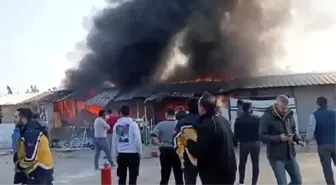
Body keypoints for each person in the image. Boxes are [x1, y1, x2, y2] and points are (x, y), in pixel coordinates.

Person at [182, 92, 237, 185]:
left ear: (202, 109)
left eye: (198, 105)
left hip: (215, 174)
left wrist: (188, 140)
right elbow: (234, 140)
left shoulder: (207, 125)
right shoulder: (222, 119)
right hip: (229, 170)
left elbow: (199, 151)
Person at [259, 95, 304, 185]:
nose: (285, 110)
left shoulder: (289, 115)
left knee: (298, 182)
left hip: (290, 155)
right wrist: (279, 138)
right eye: (283, 108)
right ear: (276, 105)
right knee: (282, 183)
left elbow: (293, 130)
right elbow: (261, 136)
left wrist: (298, 140)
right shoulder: (267, 117)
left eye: (287, 108)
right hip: (276, 157)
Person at [14, 108, 54, 185]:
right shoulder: (26, 130)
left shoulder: (31, 132)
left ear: (24, 119)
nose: (14, 120)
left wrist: (20, 165)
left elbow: (31, 157)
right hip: (38, 169)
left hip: (40, 169)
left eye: (16, 117)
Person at [306, 97, 336, 185]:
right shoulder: (334, 113)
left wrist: (307, 141)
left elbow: (311, 129)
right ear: (327, 103)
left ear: (317, 103)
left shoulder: (314, 115)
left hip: (323, 145)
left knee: (327, 168)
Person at [151, 107, 183, 185]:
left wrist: (159, 143)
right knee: (179, 176)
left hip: (165, 151)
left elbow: (153, 135)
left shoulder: (161, 124)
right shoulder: (180, 124)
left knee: (165, 176)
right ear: (175, 114)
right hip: (177, 151)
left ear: (166, 114)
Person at [113, 105, 142, 185]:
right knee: (133, 177)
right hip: (133, 154)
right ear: (130, 113)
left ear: (120, 113)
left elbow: (115, 141)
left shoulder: (117, 125)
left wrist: (116, 153)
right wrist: (139, 152)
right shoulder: (133, 124)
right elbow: (138, 140)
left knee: (122, 178)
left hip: (121, 154)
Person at [174, 97, 199, 185]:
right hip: (207, 156)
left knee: (190, 182)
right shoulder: (207, 120)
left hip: (189, 157)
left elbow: (175, 140)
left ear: (188, 107)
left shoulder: (182, 123)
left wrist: (181, 154)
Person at [234, 102, 260, 185]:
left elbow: (236, 134)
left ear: (243, 109)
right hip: (256, 143)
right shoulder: (257, 118)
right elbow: (261, 131)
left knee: (242, 163)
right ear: (250, 108)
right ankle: (254, 183)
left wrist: (235, 144)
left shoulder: (238, 120)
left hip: (244, 144)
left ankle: (241, 182)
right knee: (255, 164)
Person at [12, 120, 28, 185]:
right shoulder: (20, 133)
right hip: (20, 154)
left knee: (21, 172)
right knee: (24, 173)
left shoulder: (14, 133)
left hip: (16, 154)